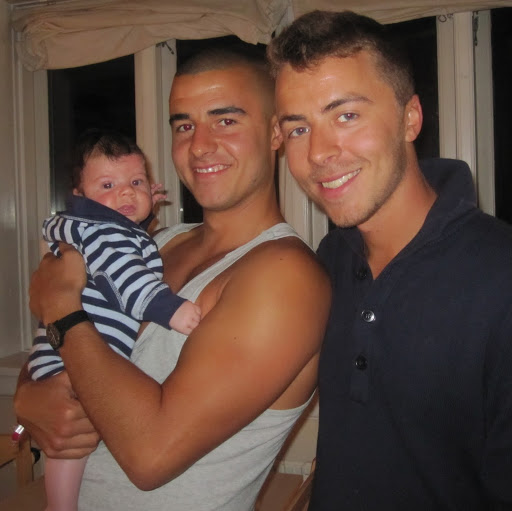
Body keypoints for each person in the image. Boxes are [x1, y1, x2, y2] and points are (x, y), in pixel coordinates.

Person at [15, 44, 331, 511]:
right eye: (184, 125)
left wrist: (60, 305)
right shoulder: (157, 243)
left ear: (274, 132)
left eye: (226, 120)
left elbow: (151, 456)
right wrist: (28, 395)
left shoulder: (285, 277)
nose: (199, 145)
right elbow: (65, 344)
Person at [268, 9, 512, 510]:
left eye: (346, 115)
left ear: (410, 118)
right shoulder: (328, 261)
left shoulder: (501, 276)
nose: (318, 153)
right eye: (298, 129)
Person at [27, 129, 201, 511]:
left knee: (71, 448)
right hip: (71, 361)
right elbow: (125, 276)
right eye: (108, 185)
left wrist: (141, 209)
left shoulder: (95, 228)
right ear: (80, 195)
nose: (125, 193)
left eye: (136, 182)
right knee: (71, 449)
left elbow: (124, 243)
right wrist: (168, 309)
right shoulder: (105, 233)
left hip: (61, 350)